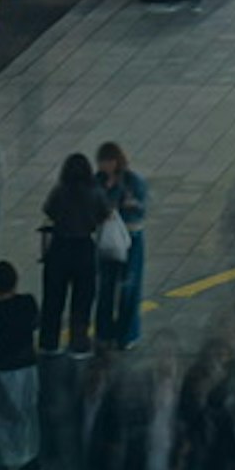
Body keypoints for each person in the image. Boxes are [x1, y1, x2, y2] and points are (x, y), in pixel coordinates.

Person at [35, 152, 105, 354]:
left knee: (53, 300)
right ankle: (79, 342)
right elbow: (104, 215)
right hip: (84, 248)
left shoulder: (60, 191)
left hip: (59, 248)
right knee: (82, 300)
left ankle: (49, 343)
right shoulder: (95, 193)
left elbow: (48, 212)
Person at [0, 257, 44, 470]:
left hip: (0, 371)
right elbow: (37, 324)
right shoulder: (27, 302)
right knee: (28, 413)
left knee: (2, 417)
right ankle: (30, 458)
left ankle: (5, 463)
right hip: (26, 367)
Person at [91, 142, 149, 350]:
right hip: (107, 239)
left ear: (115, 161)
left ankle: (127, 334)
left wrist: (125, 206)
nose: (102, 166)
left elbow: (141, 210)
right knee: (105, 286)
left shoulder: (133, 182)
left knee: (129, 287)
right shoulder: (97, 181)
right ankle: (104, 332)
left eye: (105, 162)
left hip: (131, 239)